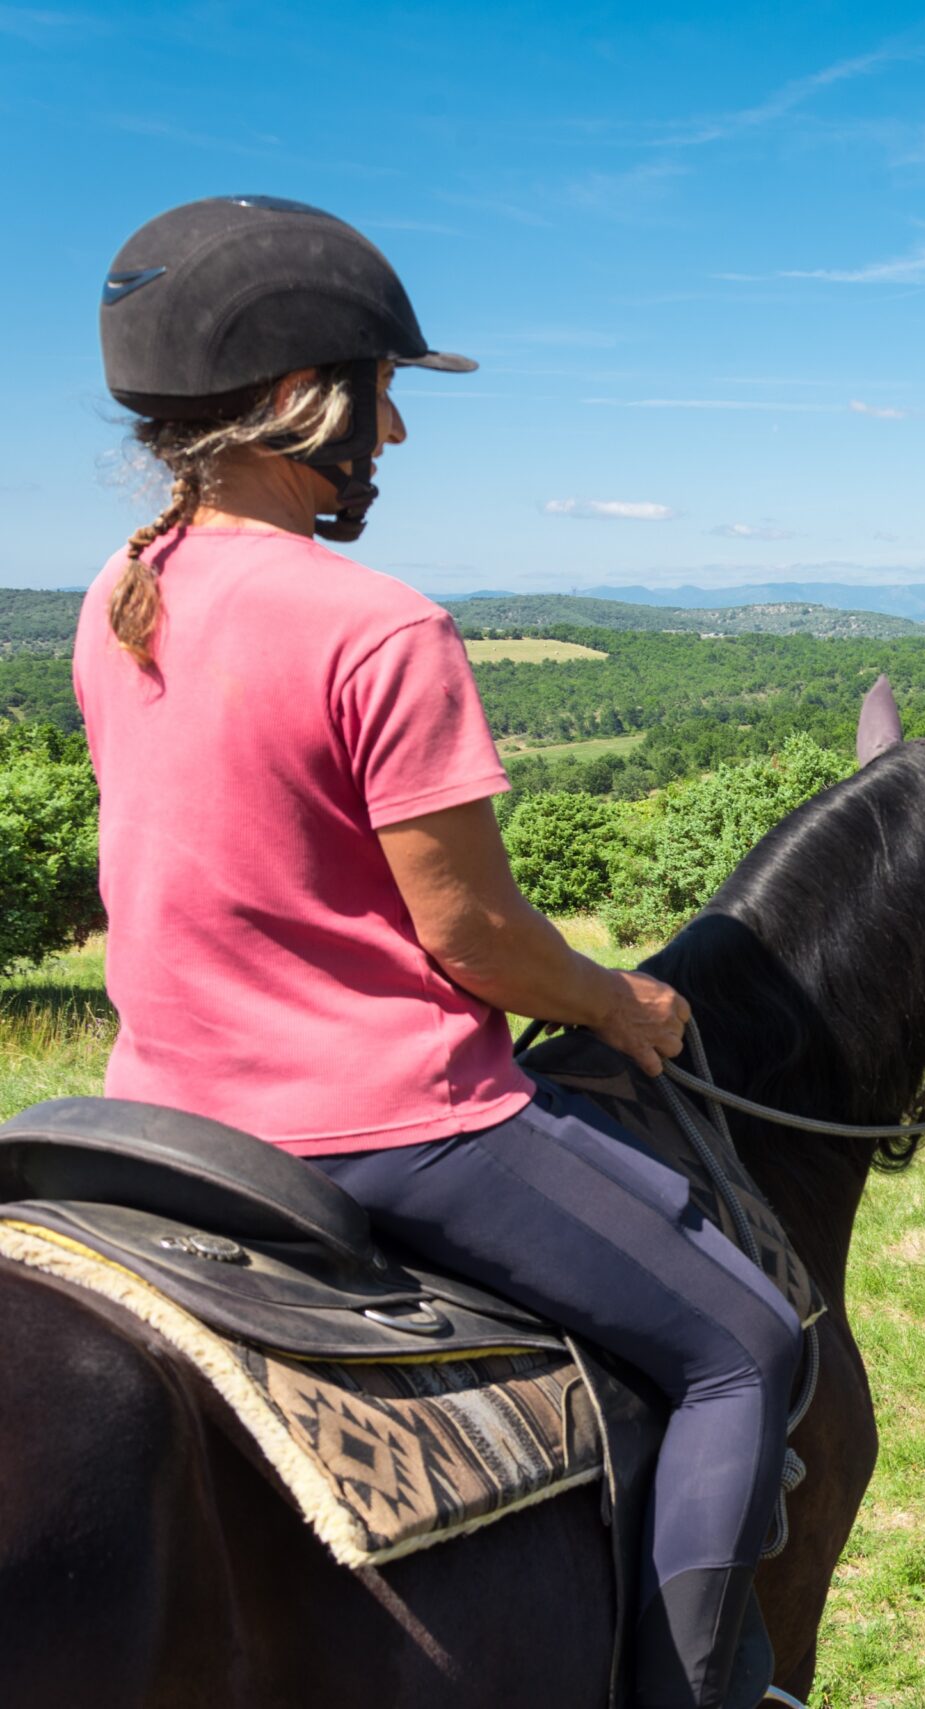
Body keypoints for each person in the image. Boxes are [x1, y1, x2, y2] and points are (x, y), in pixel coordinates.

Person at [78, 195, 800, 1709]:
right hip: (382, 1125)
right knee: (746, 1341)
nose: (393, 433)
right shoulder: (380, 626)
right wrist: (623, 998)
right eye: (378, 392)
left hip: (152, 1110)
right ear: (294, 403)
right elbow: (469, 936)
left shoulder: (118, 594)